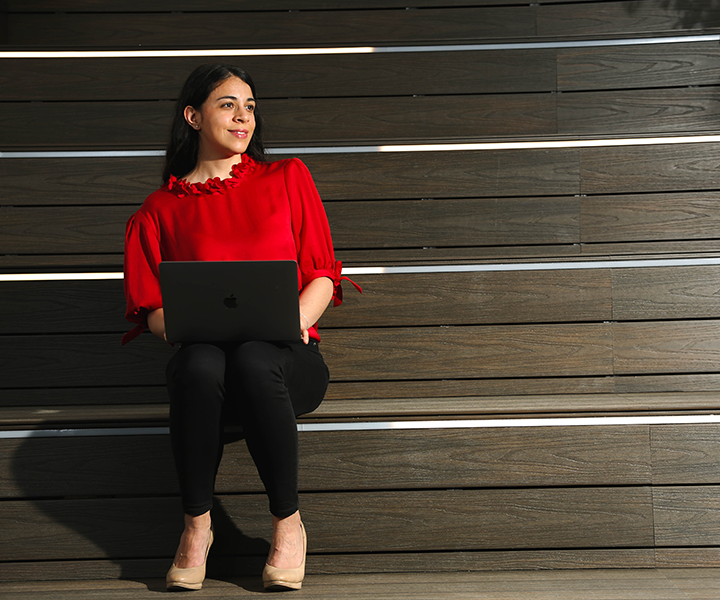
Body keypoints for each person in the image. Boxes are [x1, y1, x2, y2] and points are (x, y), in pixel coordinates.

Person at [122, 64, 357, 592]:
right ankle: (196, 526)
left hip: (285, 364)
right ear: (193, 116)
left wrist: (289, 321)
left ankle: (288, 523)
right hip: (209, 381)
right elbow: (153, 312)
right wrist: (190, 323)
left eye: (249, 106)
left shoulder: (287, 178)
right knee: (200, 360)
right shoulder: (159, 211)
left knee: (253, 355)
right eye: (228, 104)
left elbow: (322, 274)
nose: (243, 116)